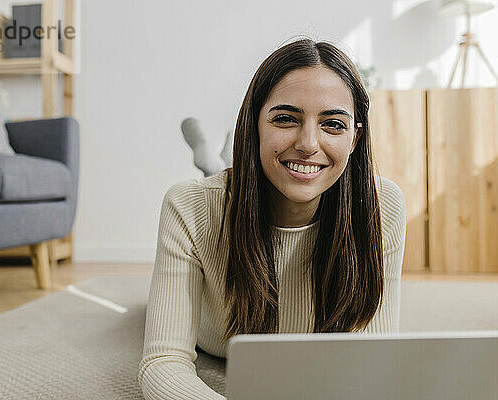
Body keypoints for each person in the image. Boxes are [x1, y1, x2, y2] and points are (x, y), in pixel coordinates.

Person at [137, 38, 407, 400]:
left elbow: (372, 362)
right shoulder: (187, 205)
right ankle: (210, 157)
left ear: (355, 138)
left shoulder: (381, 204)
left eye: (333, 125)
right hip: (216, 337)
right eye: (285, 119)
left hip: (270, 169)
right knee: (213, 180)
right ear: (254, 125)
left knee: (248, 170)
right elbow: (163, 361)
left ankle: (214, 157)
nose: (309, 143)